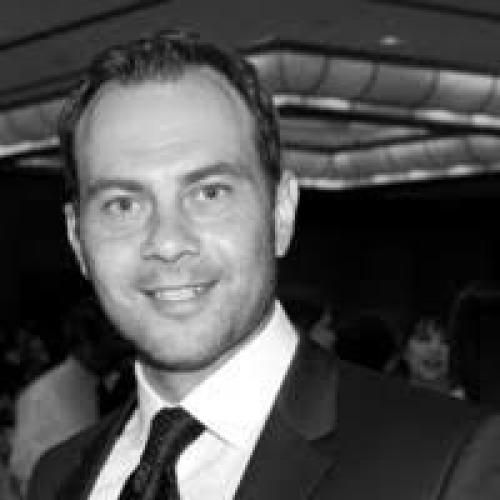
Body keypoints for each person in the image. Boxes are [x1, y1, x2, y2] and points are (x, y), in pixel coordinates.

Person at [27, 30, 500, 499]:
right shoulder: (56, 477)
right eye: (122, 204)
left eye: (209, 193)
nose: (168, 242)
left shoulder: (447, 462)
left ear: (281, 213)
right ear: (76, 238)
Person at [388, 316, 465, 399]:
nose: (435, 348)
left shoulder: (464, 402)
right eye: (424, 339)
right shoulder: (388, 395)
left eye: (445, 341)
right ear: (404, 351)